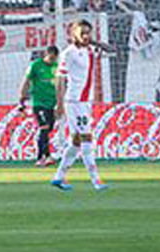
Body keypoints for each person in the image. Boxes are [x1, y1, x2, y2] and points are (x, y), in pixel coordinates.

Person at [51, 20, 113, 192]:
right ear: (73, 34)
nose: (86, 36)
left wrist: (92, 41)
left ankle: (58, 177)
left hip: (86, 101)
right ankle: (96, 180)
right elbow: (60, 79)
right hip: (73, 101)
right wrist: (59, 103)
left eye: (88, 33)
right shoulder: (68, 53)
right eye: (82, 33)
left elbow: (111, 49)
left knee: (76, 142)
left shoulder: (91, 50)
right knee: (87, 138)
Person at [19, 46, 59, 167]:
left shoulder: (57, 67)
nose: (51, 60)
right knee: (44, 128)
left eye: (54, 58)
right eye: (50, 58)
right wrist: (22, 96)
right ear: (45, 55)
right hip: (38, 102)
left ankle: (44, 156)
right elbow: (26, 81)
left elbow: (61, 85)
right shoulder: (36, 65)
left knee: (47, 129)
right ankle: (43, 157)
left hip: (52, 103)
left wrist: (60, 103)